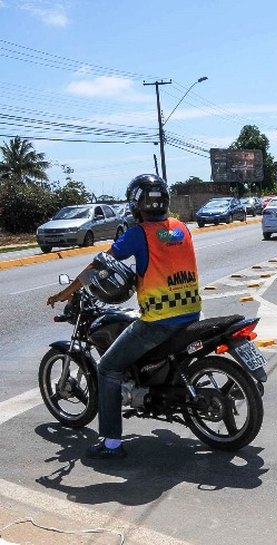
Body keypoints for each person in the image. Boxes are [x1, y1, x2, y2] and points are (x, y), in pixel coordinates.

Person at [47, 174, 202, 460]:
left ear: (135, 204)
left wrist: (65, 293)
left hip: (159, 321)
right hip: (191, 313)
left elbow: (98, 266)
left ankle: (111, 443)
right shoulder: (181, 228)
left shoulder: (139, 233)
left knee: (108, 368)